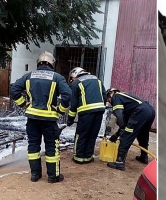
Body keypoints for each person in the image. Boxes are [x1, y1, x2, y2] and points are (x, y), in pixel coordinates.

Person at [11, 51, 71, 183]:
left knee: (33, 145)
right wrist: (60, 110)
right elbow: (67, 96)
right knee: (51, 146)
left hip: (32, 118)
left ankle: (35, 175)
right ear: (51, 63)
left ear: (38, 63)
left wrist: (24, 104)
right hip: (49, 120)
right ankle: (52, 176)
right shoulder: (57, 77)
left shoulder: (28, 76)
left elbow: (14, 90)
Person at [106, 88, 155, 170]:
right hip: (150, 110)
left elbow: (119, 116)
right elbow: (125, 124)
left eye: (108, 100)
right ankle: (144, 157)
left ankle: (119, 162)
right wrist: (116, 135)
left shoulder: (116, 97)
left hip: (141, 111)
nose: (110, 102)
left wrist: (122, 131)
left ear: (110, 94)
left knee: (127, 135)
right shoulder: (126, 99)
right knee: (143, 134)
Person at [67, 67, 107, 164]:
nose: (71, 81)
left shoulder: (76, 83)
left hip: (86, 112)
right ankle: (88, 156)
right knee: (92, 134)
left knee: (81, 134)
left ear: (74, 75)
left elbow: (73, 104)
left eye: (71, 78)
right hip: (100, 110)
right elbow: (104, 96)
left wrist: (70, 119)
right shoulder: (97, 80)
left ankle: (79, 157)